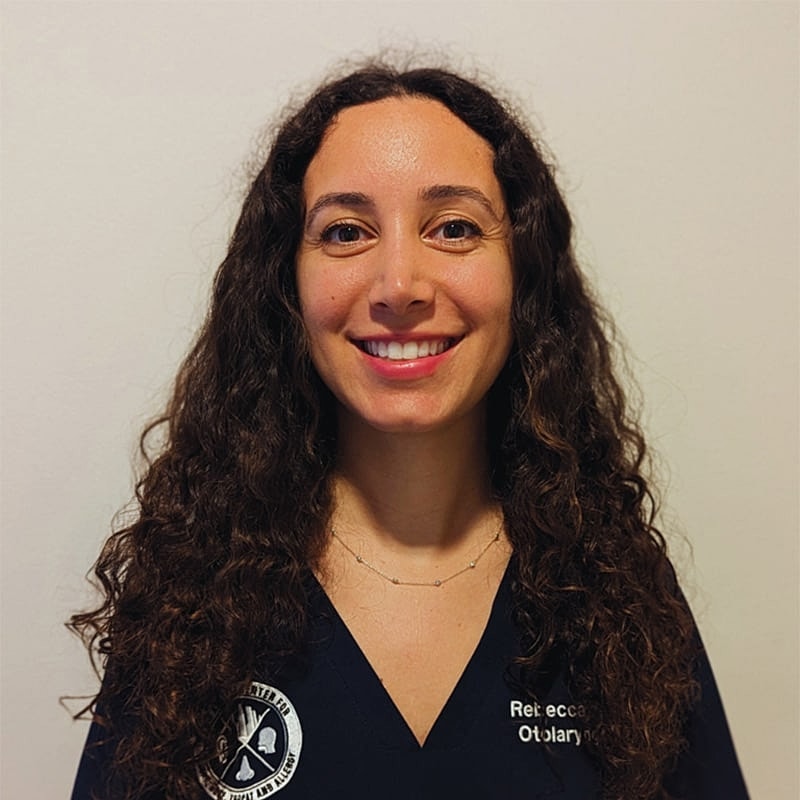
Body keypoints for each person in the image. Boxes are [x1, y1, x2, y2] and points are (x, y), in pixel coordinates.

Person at [69, 61, 748, 800]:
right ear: (283, 284)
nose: (399, 285)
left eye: (454, 227)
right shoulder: (192, 589)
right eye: (346, 231)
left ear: (525, 272)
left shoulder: (614, 587)